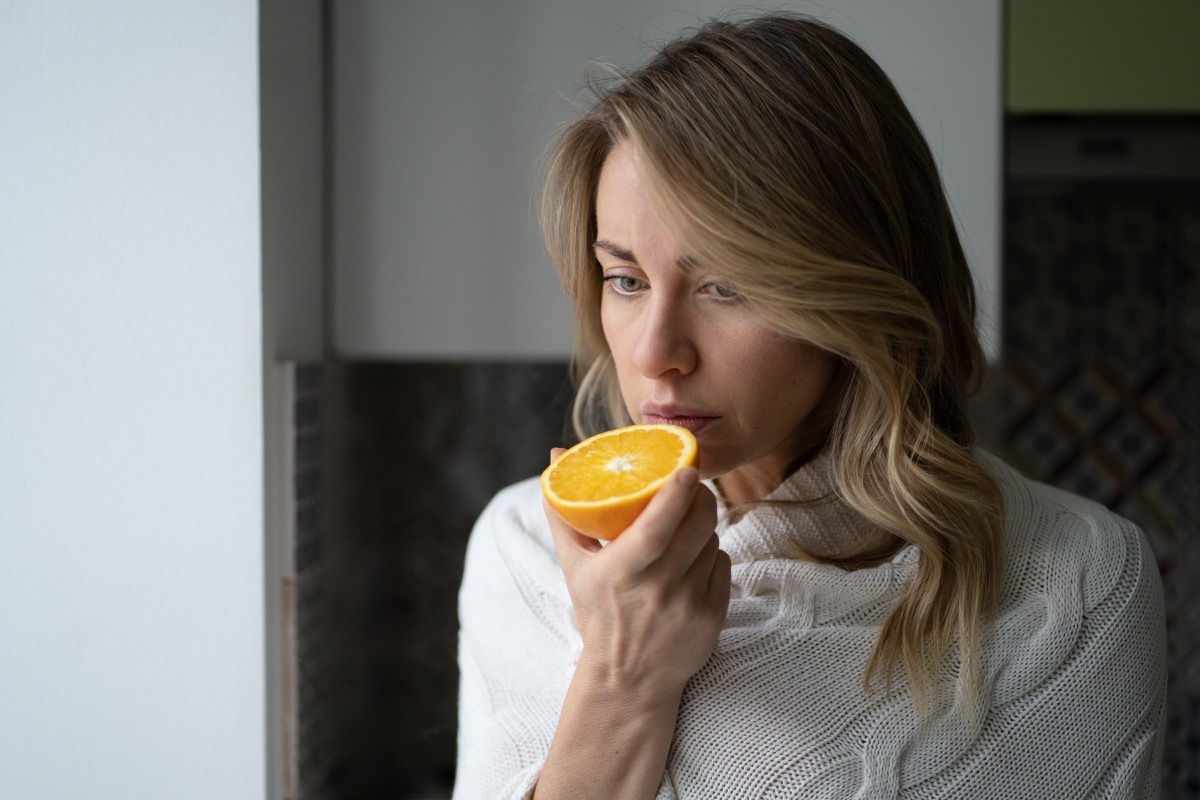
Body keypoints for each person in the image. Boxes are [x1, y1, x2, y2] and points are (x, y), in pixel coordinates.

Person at [452, 14, 1167, 799]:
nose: (657, 351)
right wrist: (621, 678)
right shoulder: (522, 553)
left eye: (726, 284)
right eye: (626, 279)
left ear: (856, 295)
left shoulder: (1077, 579)